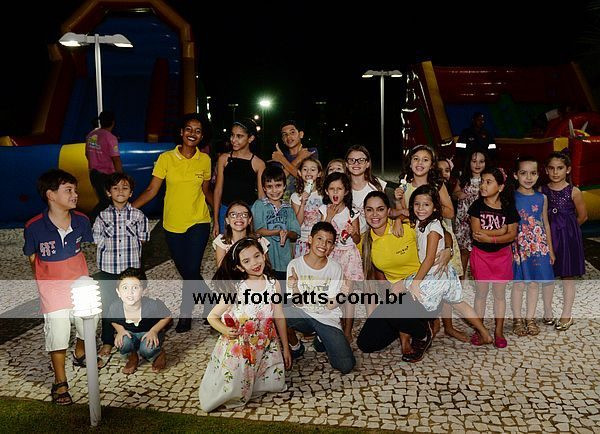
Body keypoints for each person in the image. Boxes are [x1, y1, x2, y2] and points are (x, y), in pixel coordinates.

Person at [132, 113, 213, 333]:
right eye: (189, 129)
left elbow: (207, 191)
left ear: (202, 136)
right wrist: (127, 208)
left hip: (199, 221)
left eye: (198, 131)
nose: (192, 134)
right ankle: (210, 301)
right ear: (181, 132)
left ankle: (186, 314)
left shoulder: (205, 160)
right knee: (187, 271)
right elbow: (152, 190)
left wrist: (220, 215)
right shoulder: (166, 158)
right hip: (172, 225)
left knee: (192, 269)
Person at [23, 169, 97, 405]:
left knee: (88, 323)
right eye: (68, 190)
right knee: (58, 332)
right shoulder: (34, 226)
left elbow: (86, 246)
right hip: (52, 290)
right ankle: (60, 381)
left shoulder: (82, 220)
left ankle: (80, 352)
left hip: (80, 285)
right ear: (51, 195)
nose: (75, 194)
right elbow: (32, 256)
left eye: (75, 190)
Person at [199, 238, 291, 412]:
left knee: (269, 381)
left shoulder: (273, 284)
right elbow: (212, 316)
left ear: (264, 255)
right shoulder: (237, 288)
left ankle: (257, 383)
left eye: (257, 256)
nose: (255, 263)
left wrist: (285, 347)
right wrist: (225, 330)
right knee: (233, 388)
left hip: (265, 343)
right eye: (247, 261)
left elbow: (279, 315)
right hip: (241, 346)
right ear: (240, 267)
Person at [356, 191, 445, 362]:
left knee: (394, 306)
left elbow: (441, 232)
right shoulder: (365, 241)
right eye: (369, 210)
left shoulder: (405, 227)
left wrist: (448, 249)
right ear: (364, 212)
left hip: (422, 290)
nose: (375, 215)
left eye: (380, 209)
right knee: (366, 343)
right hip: (397, 297)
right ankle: (407, 326)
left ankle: (423, 332)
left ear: (389, 211)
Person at [396, 144, 465, 341]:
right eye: (416, 158)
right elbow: (406, 213)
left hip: (440, 238)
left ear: (432, 164)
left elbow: (450, 212)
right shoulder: (405, 186)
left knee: (444, 281)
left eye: (425, 160)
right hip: (418, 241)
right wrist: (399, 207)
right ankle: (430, 322)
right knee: (426, 283)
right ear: (409, 162)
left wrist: (431, 210)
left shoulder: (438, 186)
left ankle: (449, 326)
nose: (420, 163)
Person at [407, 185, 492, 340]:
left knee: (412, 293)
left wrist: (416, 283)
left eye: (426, 205)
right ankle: (484, 332)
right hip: (444, 273)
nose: (420, 209)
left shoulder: (433, 228)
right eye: (417, 204)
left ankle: (427, 331)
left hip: (436, 274)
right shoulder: (422, 221)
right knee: (458, 303)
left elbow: (429, 259)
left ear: (435, 207)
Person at [92, 172, 150, 366]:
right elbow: (97, 238)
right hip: (108, 269)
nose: (120, 191)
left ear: (131, 193)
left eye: (125, 188)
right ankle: (108, 341)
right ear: (108, 192)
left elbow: (143, 238)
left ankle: (132, 340)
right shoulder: (102, 216)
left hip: (130, 270)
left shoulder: (138, 215)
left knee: (132, 305)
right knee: (109, 306)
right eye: (115, 188)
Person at [285, 222, 356, 374]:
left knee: (346, 365)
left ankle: (321, 338)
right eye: (319, 239)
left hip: (327, 317)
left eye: (328, 242)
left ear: (332, 247)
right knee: (280, 312)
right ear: (310, 239)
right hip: (304, 314)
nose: (323, 244)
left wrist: (343, 294)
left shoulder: (335, 268)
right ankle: (296, 346)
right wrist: (295, 286)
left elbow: (330, 305)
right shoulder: (295, 264)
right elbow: (297, 304)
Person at [468, 167, 519, 348]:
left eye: (488, 182)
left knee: (499, 295)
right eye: (482, 181)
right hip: (481, 255)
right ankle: (479, 329)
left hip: (502, 256)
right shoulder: (477, 206)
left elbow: (512, 235)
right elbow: (477, 234)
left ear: (501, 187)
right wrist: (501, 231)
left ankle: (499, 331)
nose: (483, 185)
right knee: (481, 294)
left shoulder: (508, 207)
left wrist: (491, 237)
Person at [541, 151, 587, 331]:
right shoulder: (541, 191)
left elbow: (583, 216)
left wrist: (568, 230)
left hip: (567, 240)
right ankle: (547, 310)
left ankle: (567, 314)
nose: (555, 172)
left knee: (567, 276)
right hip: (547, 239)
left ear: (567, 170)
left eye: (559, 168)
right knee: (547, 275)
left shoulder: (574, 191)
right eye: (551, 168)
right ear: (546, 170)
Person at [511, 157, 555, 337]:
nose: (528, 177)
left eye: (533, 173)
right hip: (518, 248)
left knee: (535, 283)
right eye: (523, 173)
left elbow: (545, 224)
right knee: (519, 284)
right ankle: (517, 319)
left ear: (538, 175)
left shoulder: (542, 198)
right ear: (515, 175)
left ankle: (530, 318)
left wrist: (550, 250)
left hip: (538, 247)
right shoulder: (511, 197)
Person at [319, 172, 363, 341]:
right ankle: (334, 325)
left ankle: (348, 329)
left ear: (346, 191)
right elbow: (320, 235)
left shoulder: (352, 213)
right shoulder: (324, 210)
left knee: (348, 293)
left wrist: (353, 233)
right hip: (331, 256)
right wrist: (329, 217)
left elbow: (357, 239)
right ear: (326, 191)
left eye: (339, 189)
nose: (335, 192)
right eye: (332, 189)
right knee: (332, 292)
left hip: (349, 256)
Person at [108, 268, 171, 374]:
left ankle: (158, 354)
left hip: (149, 332)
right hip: (130, 334)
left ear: (144, 291)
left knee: (147, 349)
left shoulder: (152, 305)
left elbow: (167, 316)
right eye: (125, 288)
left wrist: (154, 331)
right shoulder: (115, 307)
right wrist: (120, 330)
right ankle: (132, 357)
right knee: (122, 342)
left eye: (135, 288)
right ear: (118, 292)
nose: (130, 292)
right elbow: (112, 320)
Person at [212, 119, 266, 237]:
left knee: (246, 246)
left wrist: (261, 223)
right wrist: (215, 221)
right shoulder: (223, 159)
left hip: (248, 212)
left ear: (250, 138)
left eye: (239, 136)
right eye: (232, 135)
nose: (233, 140)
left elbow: (261, 196)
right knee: (225, 246)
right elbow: (218, 190)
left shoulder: (258, 163)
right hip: (226, 211)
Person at [251, 165, 301, 281]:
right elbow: (258, 230)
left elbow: (295, 233)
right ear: (264, 188)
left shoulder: (288, 208)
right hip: (265, 260)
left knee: (282, 289)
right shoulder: (259, 205)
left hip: (285, 261)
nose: (274, 191)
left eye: (278, 185)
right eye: (269, 187)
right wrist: (278, 232)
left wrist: (287, 233)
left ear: (284, 186)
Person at [452, 151, 487, 279]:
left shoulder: (487, 179)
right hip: (463, 221)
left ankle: (479, 279)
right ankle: (461, 281)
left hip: (480, 220)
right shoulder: (463, 178)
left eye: (481, 162)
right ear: (469, 162)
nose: (477, 165)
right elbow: (454, 194)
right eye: (474, 161)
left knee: (480, 251)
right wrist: (458, 194)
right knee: (464, 251)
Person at [85, 111, 123, 222]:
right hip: (106, 175)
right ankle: (89, 222)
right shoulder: (111, 138)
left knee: (106, 200)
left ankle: (101, 223)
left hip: (94, 173)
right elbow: (116, 159)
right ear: (113, 122)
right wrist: (121, 177)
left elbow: (87, 154)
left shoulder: (91, 135)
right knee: (107, 202)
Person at [271, 120, 318, 202]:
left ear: (301, 134)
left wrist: (282, 160)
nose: (288, 137)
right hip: (284, 203)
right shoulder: (279, 157)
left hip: (306, 202)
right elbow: (277, 180)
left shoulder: (310, 152)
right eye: (285, 134)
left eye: (292, 132)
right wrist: (299, 158)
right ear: (282, 139)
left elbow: (307, 178)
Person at [213, 201, 269, 267]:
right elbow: (221, 268)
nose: (239, 218)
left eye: (244, 215)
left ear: (249, 220)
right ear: (227, 220)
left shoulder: (259, 240)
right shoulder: (222, 241)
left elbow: (266, 266)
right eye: (233, 215)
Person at [345, 145, 387, 234]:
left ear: (367, 164)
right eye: (352, 160)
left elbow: (386, 211)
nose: (356, 163)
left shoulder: (377, 185)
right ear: (346, 164)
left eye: (361, 160)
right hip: (348, 237)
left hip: (371, 235)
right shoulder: (342, 187)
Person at [291, 156, 324, 257]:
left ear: (319, 173)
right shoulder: (295, 196)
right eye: (305, 169)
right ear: (300, 173)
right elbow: (298, 223)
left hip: (321, 241)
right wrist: (302, 203)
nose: (309, 172)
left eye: (313, 170)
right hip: (303, 240)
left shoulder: (324, 195)